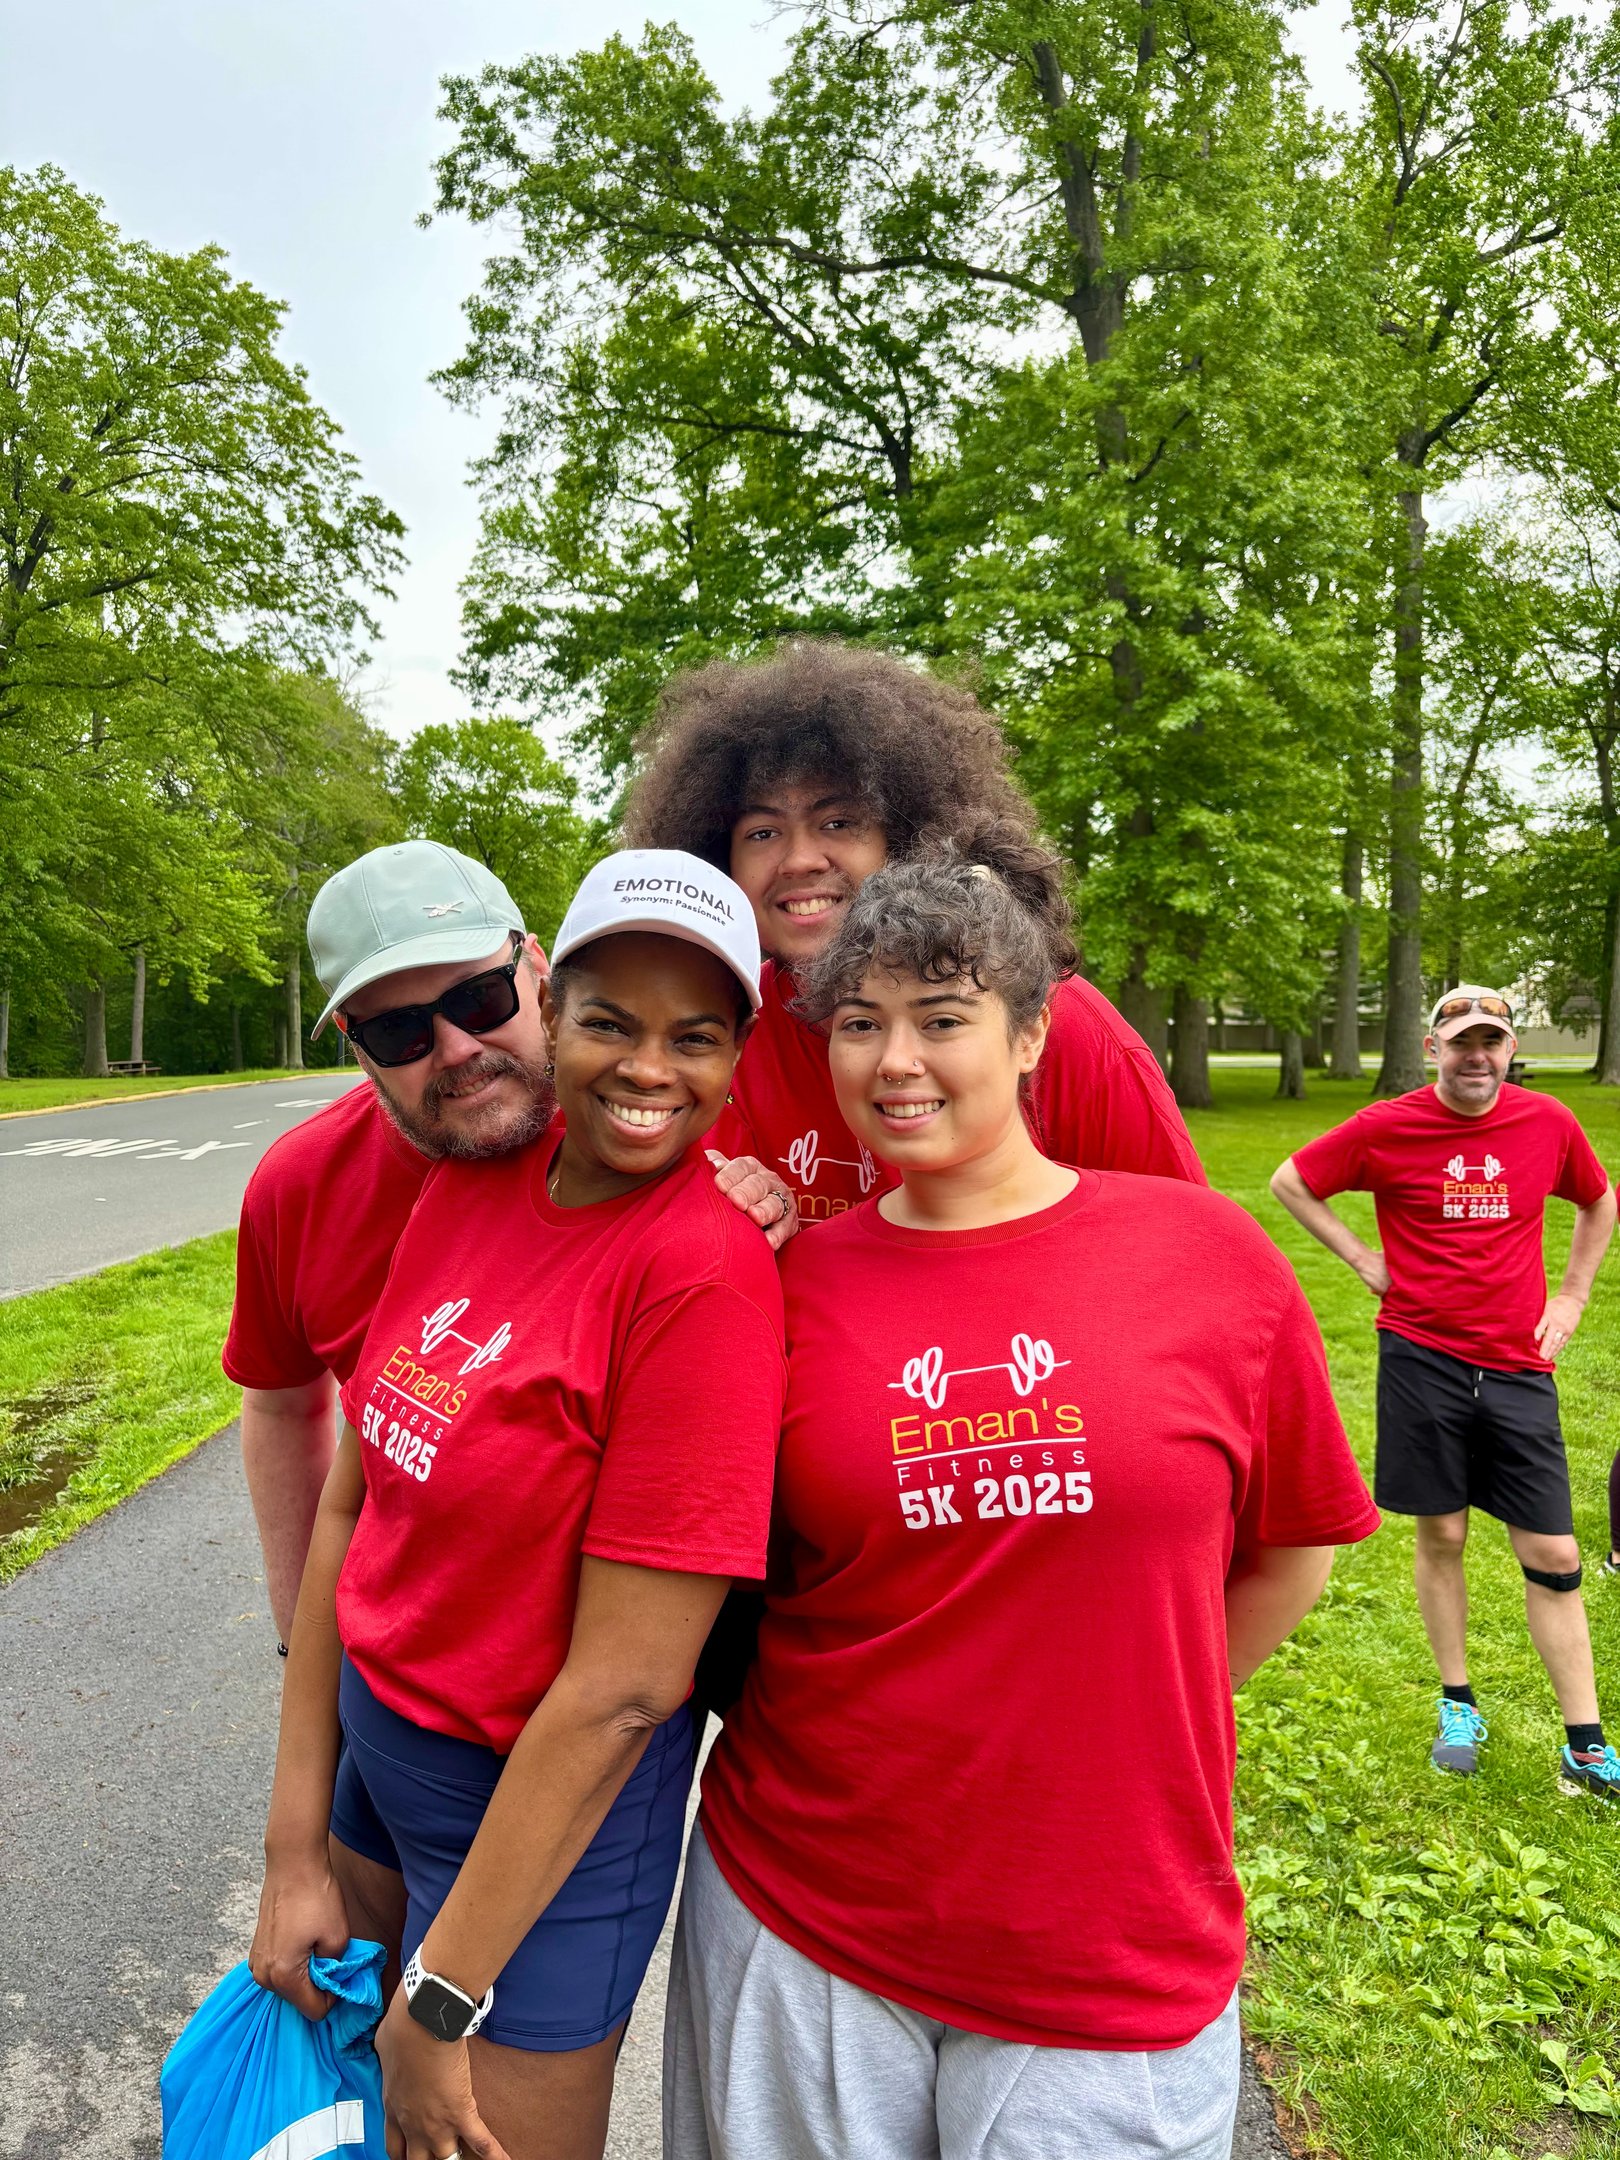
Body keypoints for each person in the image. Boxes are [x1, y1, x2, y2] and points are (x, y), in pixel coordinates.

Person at [665, 843, 1378, 2160]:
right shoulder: (787, 1284)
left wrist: (1129, 1714)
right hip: (806, 1908)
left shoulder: (1204, 1255)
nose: (897, 1061)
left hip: (1110, 1937)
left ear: (1034, 1032)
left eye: (942, 1019)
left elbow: (1292, 1547)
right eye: (860, 1023)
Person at [250, 850, 787, 2160]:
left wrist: (440, 2001)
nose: (647, 1066)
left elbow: (625, 1691)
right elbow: (350, 1513)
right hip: (380, 1771)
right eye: (611, 1022)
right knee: (356, 2129)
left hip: (535, 1833)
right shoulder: (469, 1185)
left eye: (693, 1036)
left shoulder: (704, 1274)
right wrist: (292, 1851)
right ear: (563, 1009)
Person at [622, 640, 1205, 1218]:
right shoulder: (725, 1029)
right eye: (762, 833)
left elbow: (1179, 1239)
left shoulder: (1053, 1020)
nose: (799, 860)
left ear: (907, 838)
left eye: (838, 821)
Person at [1270, 985, 1618, 1797]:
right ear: (1434, 1050)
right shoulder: (1387, 1127)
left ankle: (1586, 1743)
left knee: (1555, 1552)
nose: (1477, 1057)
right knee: (1444, 1533)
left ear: (1509, 1050)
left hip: (1518, 1363)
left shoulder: (1547, 1123)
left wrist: (1572, 1295)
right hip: (1421, 1356)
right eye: (1462, 1042)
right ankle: (1458, 1702)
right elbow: (1292, 1181)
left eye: (1491, 1041)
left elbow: (1598, 1200)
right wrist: (1363, 1259)